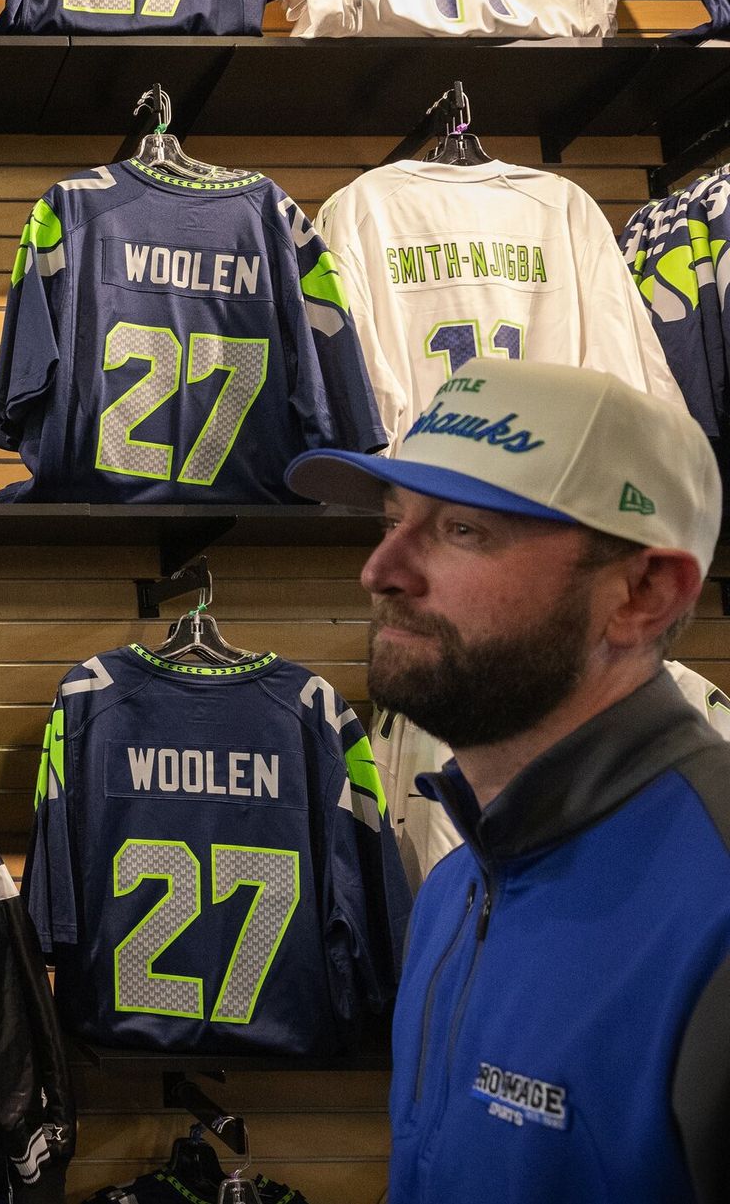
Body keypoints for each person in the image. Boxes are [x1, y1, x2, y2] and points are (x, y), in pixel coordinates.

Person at [286, 359, 730, 1203]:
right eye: (390, 520)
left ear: (642, 591)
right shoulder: (458, 887)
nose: (380, 571)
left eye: (461, 530)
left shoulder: (717, 904)